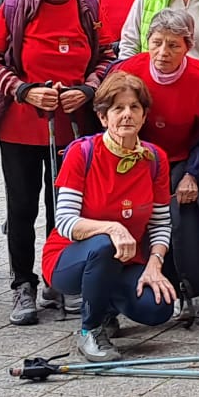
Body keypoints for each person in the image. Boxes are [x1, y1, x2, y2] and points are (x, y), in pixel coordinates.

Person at [0, 0, 113, 327]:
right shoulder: (15, 5)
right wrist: (23, 90)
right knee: (21, 210)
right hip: (22, 126)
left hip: (73, 127)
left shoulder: (89, 4)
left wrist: (87, 90)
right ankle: (23, 283)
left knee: (66, 208)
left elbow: (107, 55)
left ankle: (62, 278)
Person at [44, 70, 177, 362]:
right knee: (104, 243)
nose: (127, 115)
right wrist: (113, 228)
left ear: (144, 116)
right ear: (104, 117)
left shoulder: (155, 159)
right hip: (69, 258)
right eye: (118, 108)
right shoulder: (83, 153)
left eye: (134, 107)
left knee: (158, 309)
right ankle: (89, 331)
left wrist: (155, 264)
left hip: (125, 260)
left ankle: (105, 307)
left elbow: (160, 222)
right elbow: (65, 222)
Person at [118, 6, 199, 206]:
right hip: (135, 153)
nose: (163, 52)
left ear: (188, 47)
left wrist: (193, 174)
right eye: (156, 43)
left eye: (173, 45)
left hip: (182, 157)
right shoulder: (128, 72)